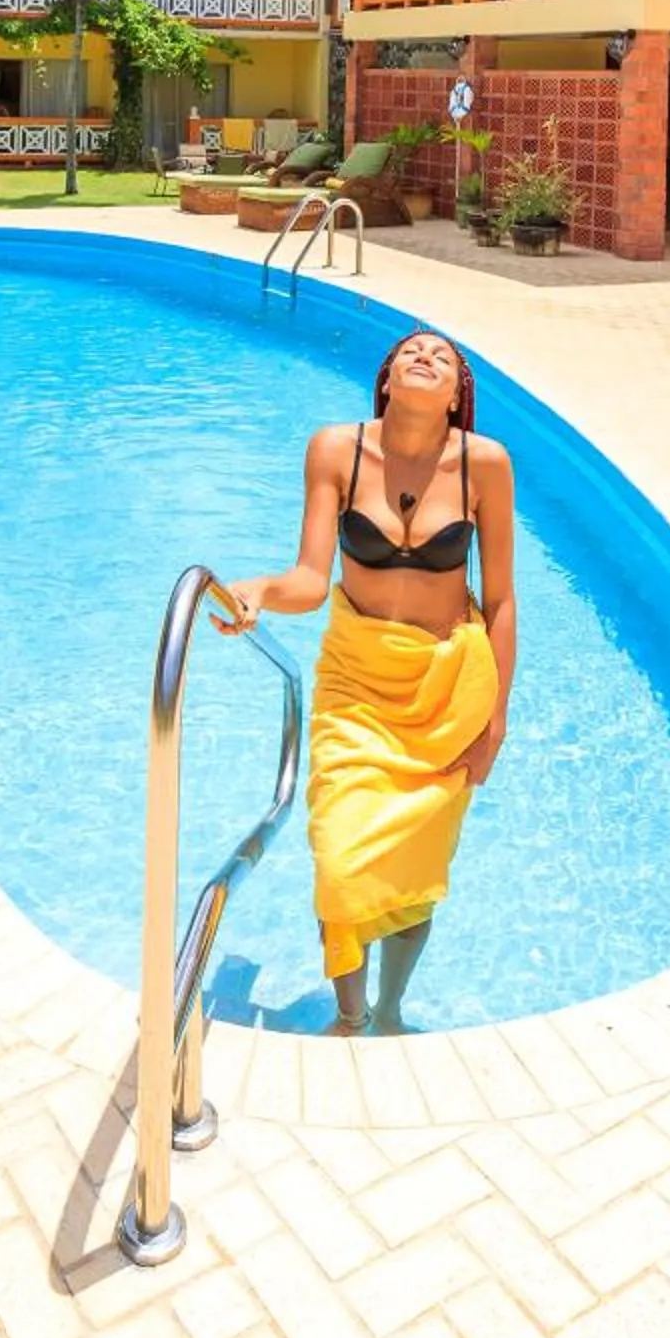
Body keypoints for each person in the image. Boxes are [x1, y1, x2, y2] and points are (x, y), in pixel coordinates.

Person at [218, 329, 515, 1034]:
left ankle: (387, 1012)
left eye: (444, 358)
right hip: (357, 681)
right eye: (411, 350)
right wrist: (260, 587)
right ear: (385, 380)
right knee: (341, 860)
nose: (426, 356)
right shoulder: (335, 450)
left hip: (447, 689)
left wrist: (496, 720)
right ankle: (349, 1017)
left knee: (415, 868)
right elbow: (310, 581)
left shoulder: (486, 465)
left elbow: (500, 599)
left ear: (456, 397)